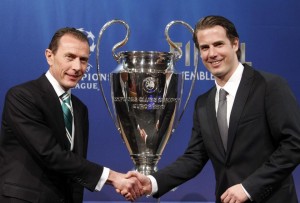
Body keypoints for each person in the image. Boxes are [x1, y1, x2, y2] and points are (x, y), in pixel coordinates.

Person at [126, 15, 300, 203]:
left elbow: (293, 145)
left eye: (218, 44)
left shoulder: (269, 86)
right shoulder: (204, 103)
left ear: (234, 44)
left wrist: (249, 187)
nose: (212, 54)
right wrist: (152, 182)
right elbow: (194, 158)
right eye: (205, 48)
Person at [0, 27, 142, 203]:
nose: (77, 67)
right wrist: (113, 177)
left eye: (83, 60)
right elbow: (50, 153)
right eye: (70, 57)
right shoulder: (22, 96)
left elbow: (75, 166)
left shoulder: (79, 108)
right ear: (49, 56)